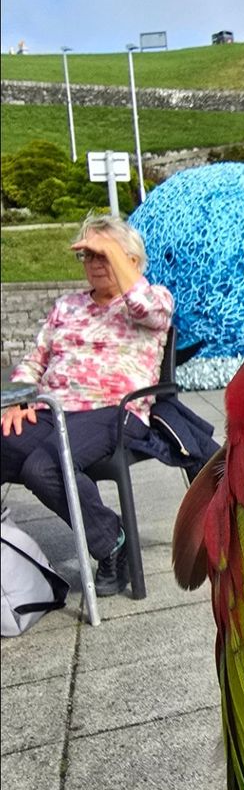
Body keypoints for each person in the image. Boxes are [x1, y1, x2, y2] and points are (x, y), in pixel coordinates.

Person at [1, 215, 174, 596]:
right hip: (53, 409)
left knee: (43, 467)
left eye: (104, 255)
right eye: (88, 256)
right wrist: (17, 399)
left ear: (131, 260)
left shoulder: (153, 299)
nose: (95, 264)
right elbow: (34, 360)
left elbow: (150, 311)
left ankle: (111, 542)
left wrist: (112, 246)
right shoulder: (67, 306)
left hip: (114, 412)